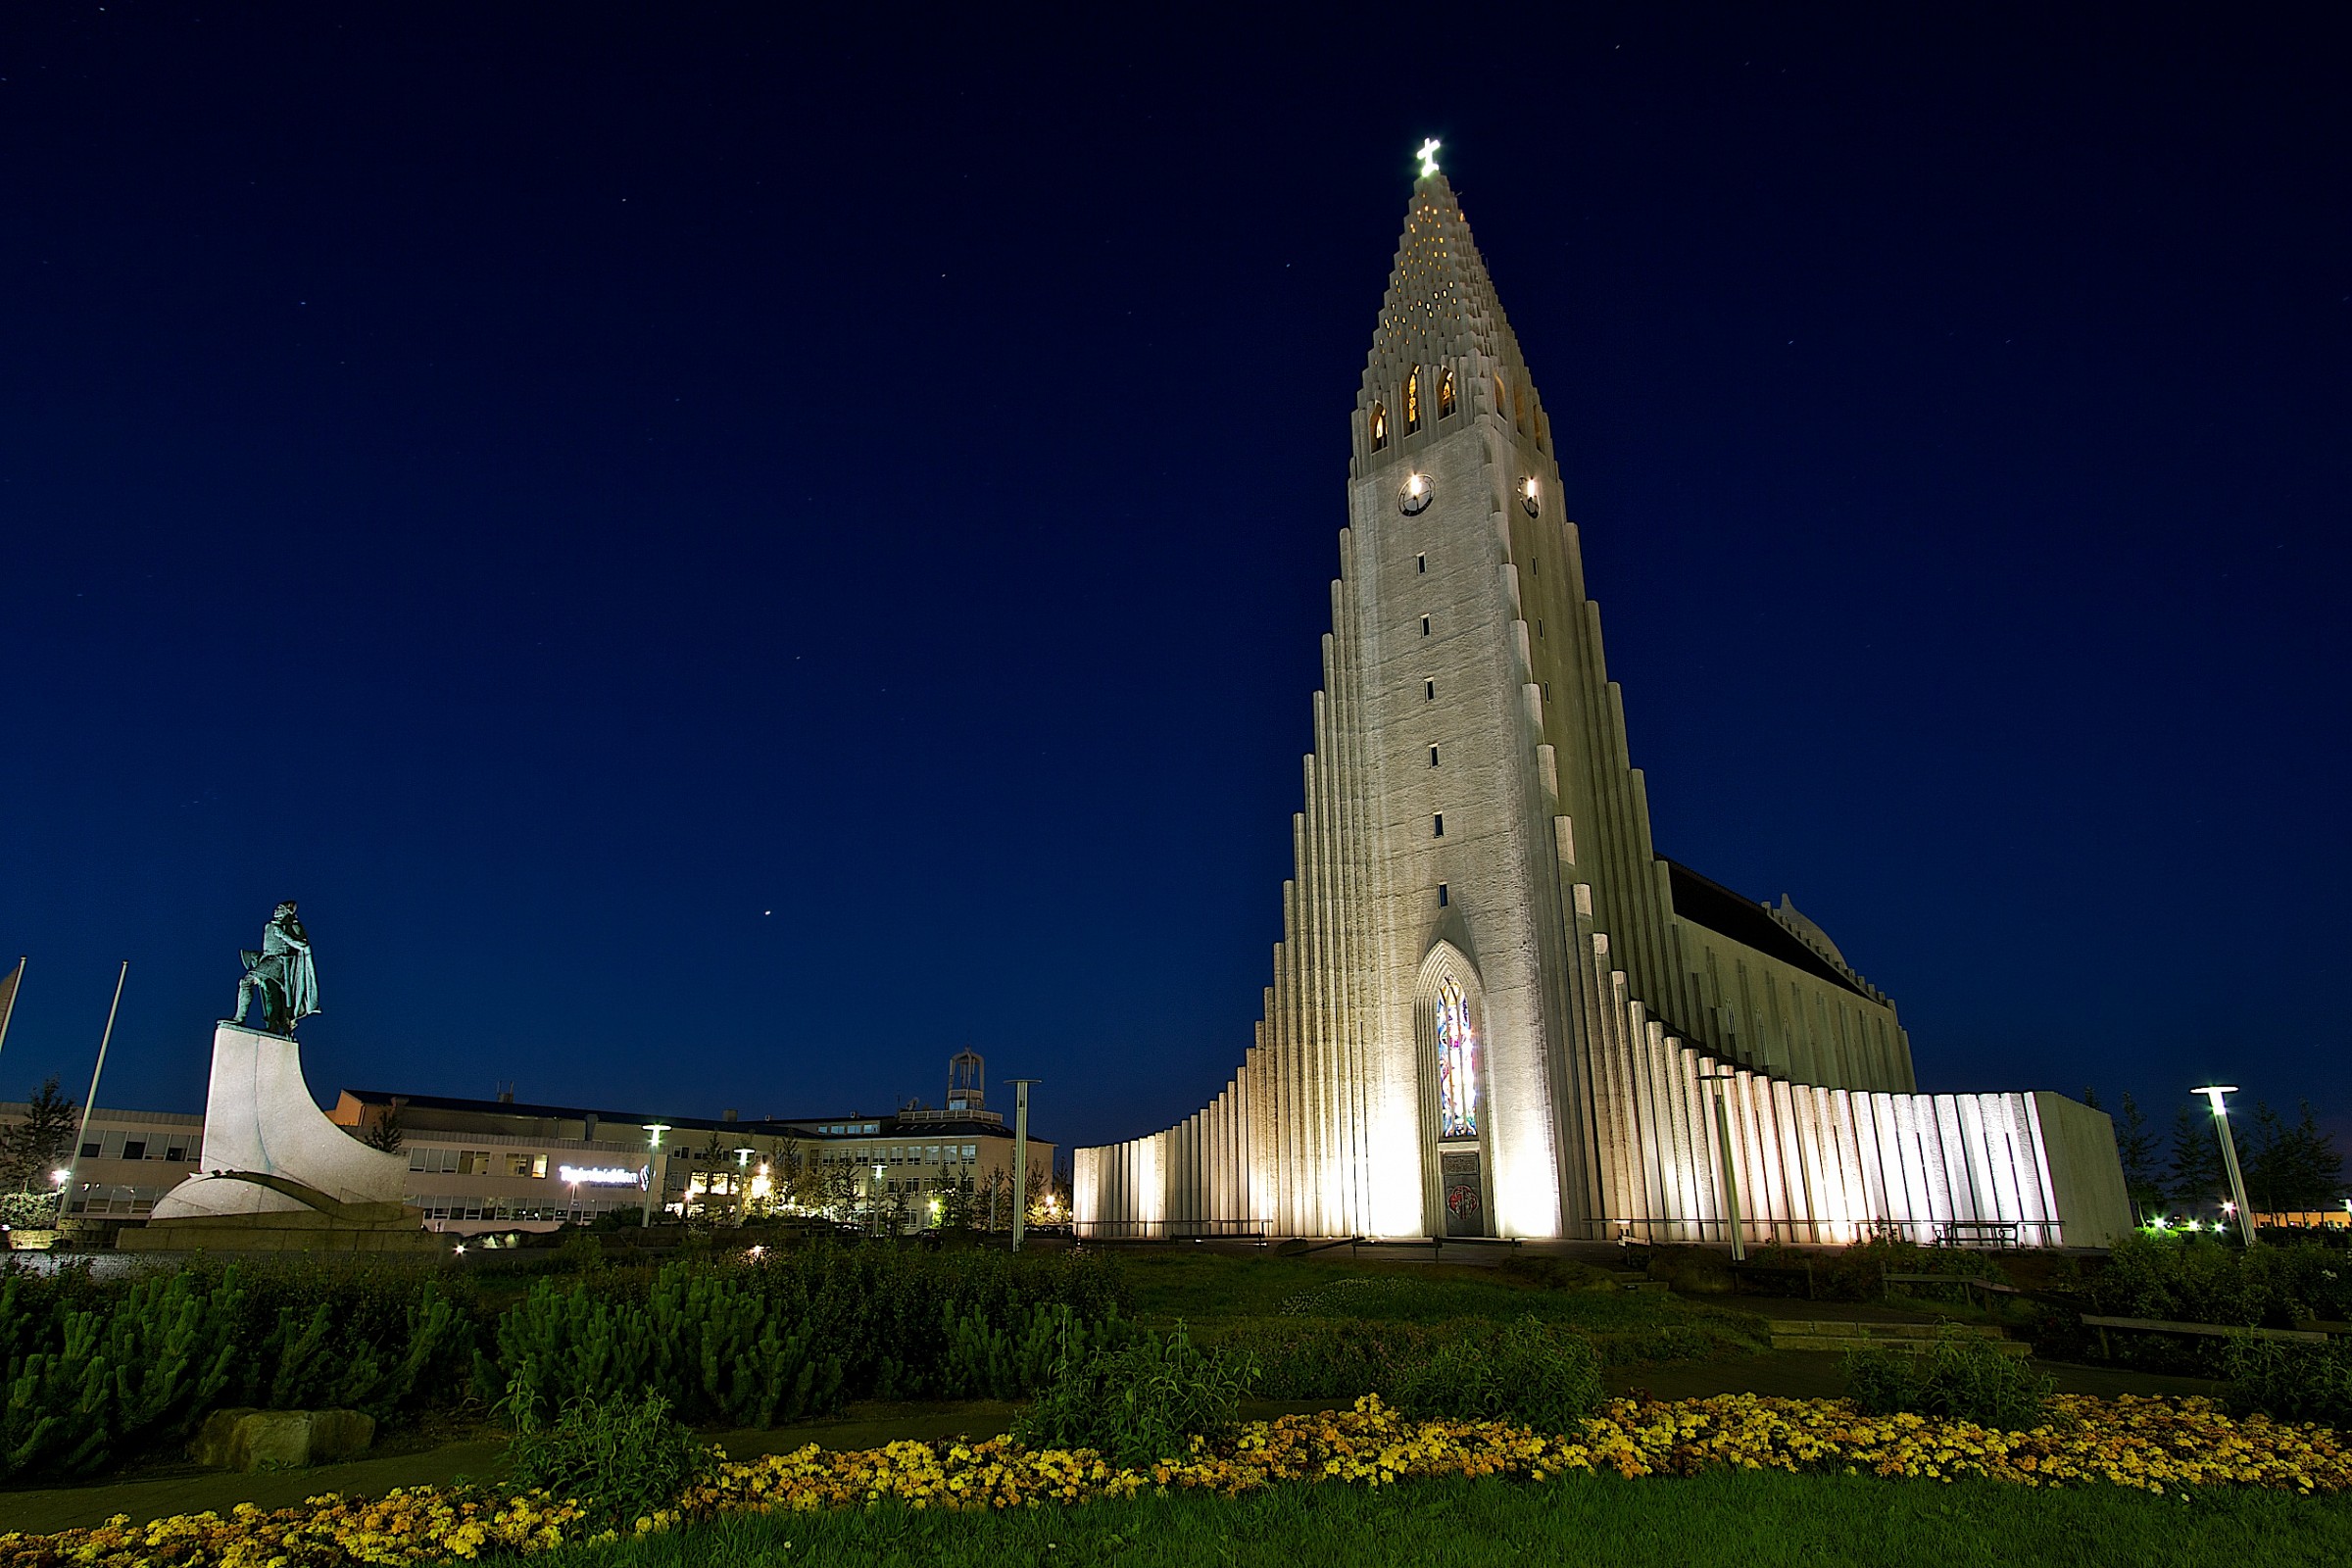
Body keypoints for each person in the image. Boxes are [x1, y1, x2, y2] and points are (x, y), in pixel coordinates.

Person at [233, 901, 319, 1035]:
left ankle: (239, 1018)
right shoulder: (269, 925)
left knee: (246, 981)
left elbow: (303, 945)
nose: (276, 910)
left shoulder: (292, 925)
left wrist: (283, 935)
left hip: (279, 961)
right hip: (266, 959)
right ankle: (273, 1026)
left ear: (288, 911)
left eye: (280, 909)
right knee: (272, 995)